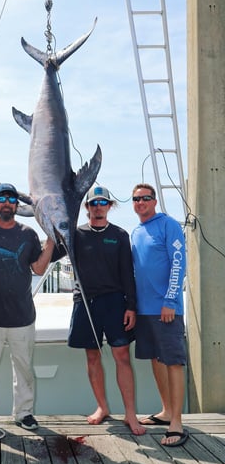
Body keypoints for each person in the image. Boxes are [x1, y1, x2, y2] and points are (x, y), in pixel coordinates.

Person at [0, 183, 55, 433]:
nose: (7, 202)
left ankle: (24, 413)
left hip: (22, 316)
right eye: (2, 198)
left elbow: (38, 269)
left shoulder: (28, 234)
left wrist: (50, 241)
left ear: (17, 206)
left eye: (12, 199)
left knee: (24, 370)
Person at [68, 185, 145, 436]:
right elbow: (53, 247)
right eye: (93, 203)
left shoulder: (120, 235)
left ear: (110, 206)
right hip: (86, 302)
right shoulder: (75, 234)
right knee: (92, 356)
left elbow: (127, 273)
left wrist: (131, 306)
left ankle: (130, 414)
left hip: (115, 301)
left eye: (103, 203)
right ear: (87, 207)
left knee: (122, 355)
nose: (98, 207)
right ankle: (102, 407)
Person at [131, 183, 188, 447]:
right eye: (136, 199)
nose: (140, 202)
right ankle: (166, 411)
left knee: (172, 362)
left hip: (167, 309)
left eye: (145, 198)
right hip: (144, 311)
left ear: (154, 201)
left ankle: (177, 422)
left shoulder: (168, 225)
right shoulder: (136, 231)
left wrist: (170, 300)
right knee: (156, 360)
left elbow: (178, 262)